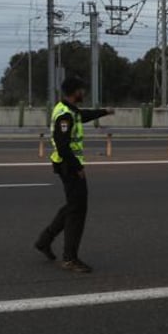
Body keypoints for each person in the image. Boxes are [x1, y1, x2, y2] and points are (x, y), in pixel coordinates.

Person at [34, 76, 114, 272]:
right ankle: (69, 258)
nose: (83, 93)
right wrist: (77, 167)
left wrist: (104, 112)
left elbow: (83, 116)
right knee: (78, 210)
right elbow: (62, 146)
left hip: (67, 164)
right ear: (74, 92)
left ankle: (44, 240)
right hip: (68, 166)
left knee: (73, 206)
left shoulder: (68, 109)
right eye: (81, 90)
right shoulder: (65, 115)